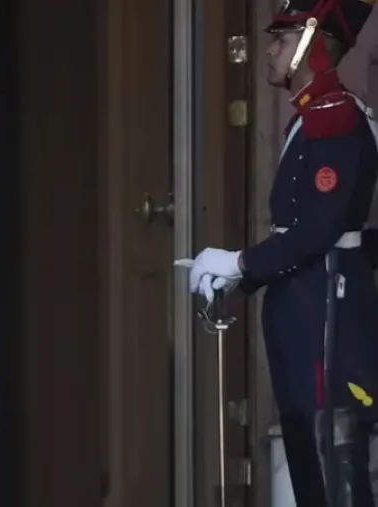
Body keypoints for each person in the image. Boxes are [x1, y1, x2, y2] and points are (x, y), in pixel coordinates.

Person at [179, 0, 378, 505]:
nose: (270, 52)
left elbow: (319, 229)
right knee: (309, 452)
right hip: (304, 304)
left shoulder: (334, 119)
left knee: (330, 455)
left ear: (313, 46)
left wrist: (240, 263)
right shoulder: (311, 117)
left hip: (325, 309)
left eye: (283, 40)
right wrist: (242, 279)